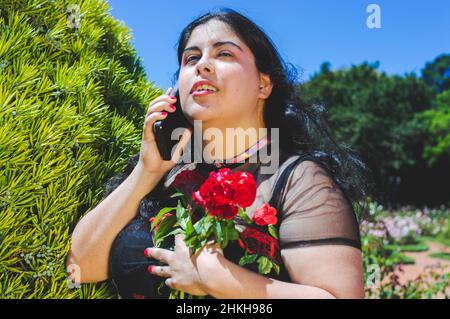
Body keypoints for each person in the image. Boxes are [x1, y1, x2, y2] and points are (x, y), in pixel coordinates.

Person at [66, 8, 372, 299]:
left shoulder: (298, 181)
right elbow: (80, 269)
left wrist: (216, 278)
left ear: (264, 84)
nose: (202, 65)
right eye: (191, 58)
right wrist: (146, 173)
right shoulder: (165, 171)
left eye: (224, 53)